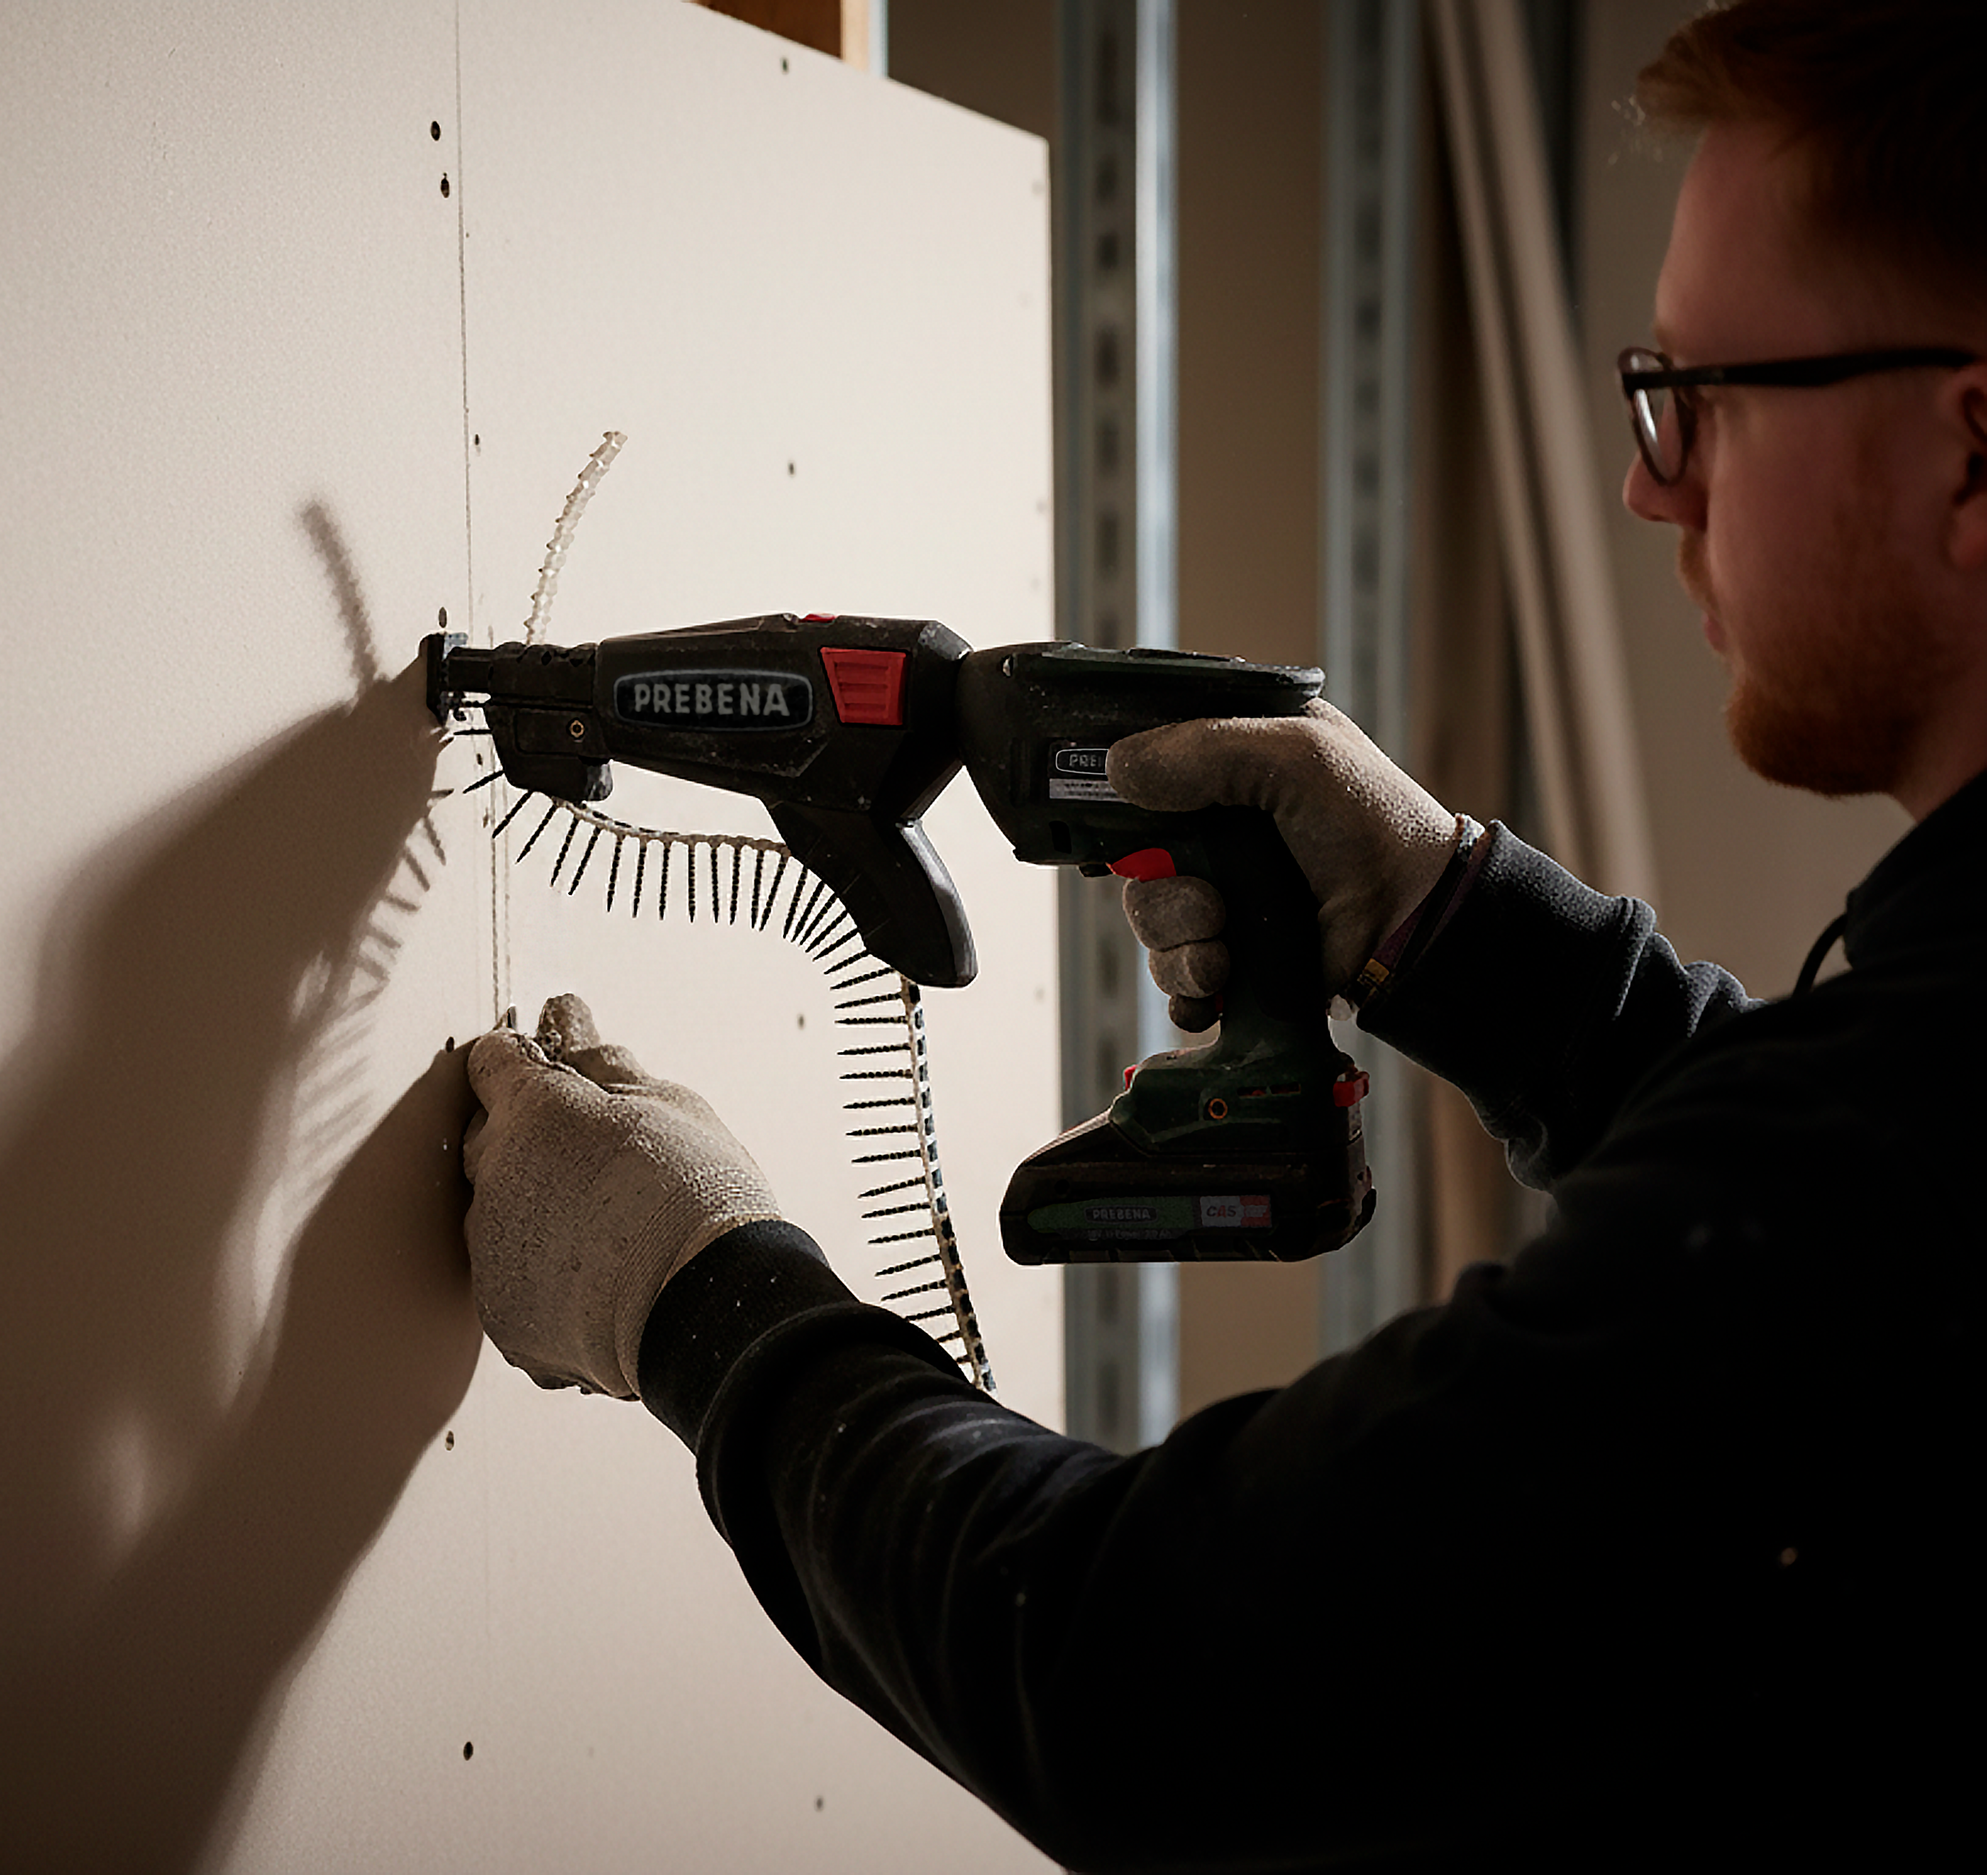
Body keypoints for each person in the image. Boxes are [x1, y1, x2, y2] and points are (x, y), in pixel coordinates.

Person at [458, 3, 1986, 1866]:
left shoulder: (1903, 1159)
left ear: (1976, 445)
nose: (1648, 482)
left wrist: (694, 1292)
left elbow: (1155, 1679)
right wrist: (1451, 914)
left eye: (1703, 396)